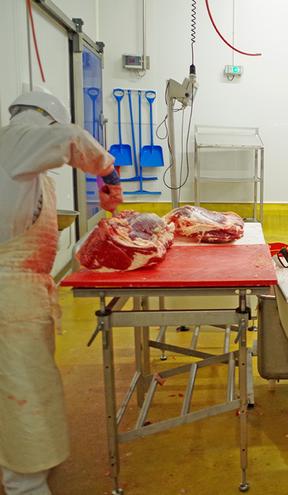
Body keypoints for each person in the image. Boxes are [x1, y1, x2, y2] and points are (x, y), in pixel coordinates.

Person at [0, 89, 122, 495]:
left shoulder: (17, 156)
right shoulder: (17, 139)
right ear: (46, 119)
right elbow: (72, 138)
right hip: (10, 295)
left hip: (21, 291)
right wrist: (109, 173)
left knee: (17, 385)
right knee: (24, 391)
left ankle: (23, 469)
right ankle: (26, 485)